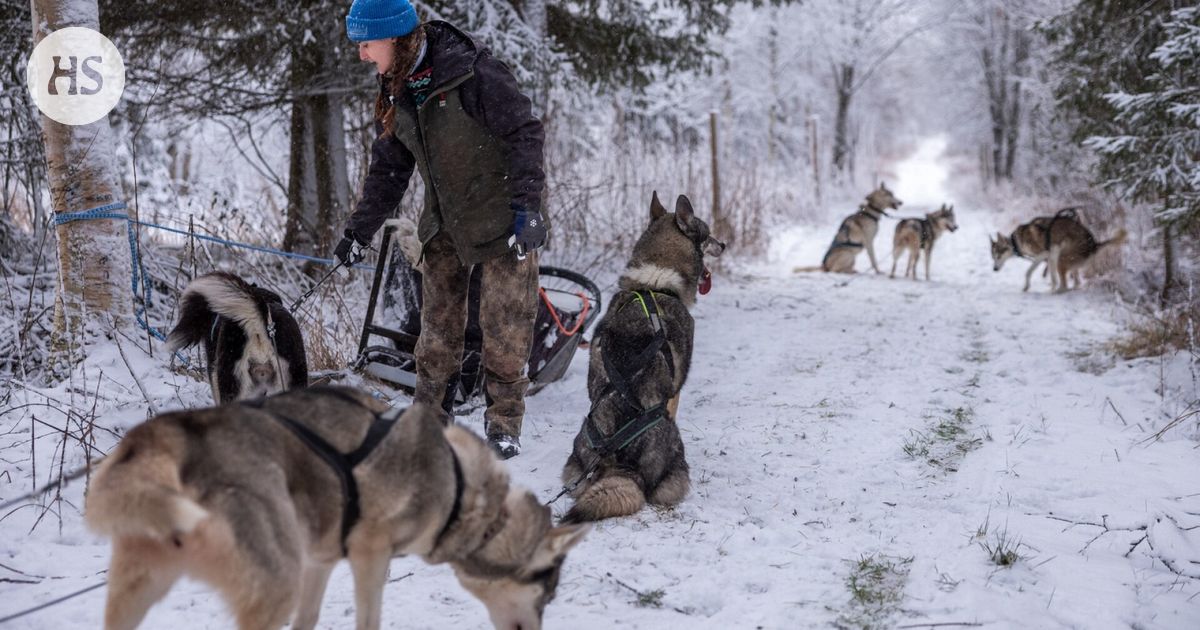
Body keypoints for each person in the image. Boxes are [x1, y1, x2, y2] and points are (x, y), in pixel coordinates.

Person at [334, 0, 548, 459]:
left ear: (393, 37)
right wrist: (359, 232)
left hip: (502, 219)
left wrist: (529, 211)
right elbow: (390, 170)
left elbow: (525, 134)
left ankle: (504, 424)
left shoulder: (474, 73)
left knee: (505, 329)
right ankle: (428, 423)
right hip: (445, 223)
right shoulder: (399, 87)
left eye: (367, 44)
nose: (362, 55)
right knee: (437, 333)